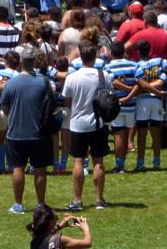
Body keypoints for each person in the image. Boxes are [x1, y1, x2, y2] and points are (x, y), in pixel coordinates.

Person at [1, 50, 53, 214]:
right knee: (40, 169)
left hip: (16, 133)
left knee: (18, 168)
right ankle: (41, 203)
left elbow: (5, 107)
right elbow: (51, 103)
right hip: (39, 132)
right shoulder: (44, 82)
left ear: (21, 62)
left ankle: (18, 204)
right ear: (35, 63)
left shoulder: (11, 83)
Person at [61, 41, 109, 211]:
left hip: (78, 123)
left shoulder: (72, 77)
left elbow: (67, 100)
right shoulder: (104, 76)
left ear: (80, 56)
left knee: (78, 161)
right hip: (99, 123)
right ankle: (99, 199)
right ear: (95, 56)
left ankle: (77, 200)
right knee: (98, 161)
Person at [26, 204, 92, 249]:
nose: (57, 220)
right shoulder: (59, 240)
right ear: (50, 222)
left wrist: (60, 226)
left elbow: (47, 237)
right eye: (56, 218)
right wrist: (85, 229)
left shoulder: (34, 241)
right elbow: (87, 243)